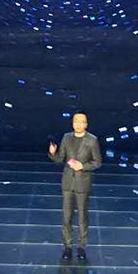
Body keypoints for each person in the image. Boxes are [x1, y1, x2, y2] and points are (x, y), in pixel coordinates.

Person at [47, 110, 102, 261]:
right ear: (72, 123)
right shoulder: (66, 137)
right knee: (66, 217)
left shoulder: (92, 140)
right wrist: (53, 153)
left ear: (86, 124)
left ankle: (81, 247)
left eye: (81, 121)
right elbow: (60, 159)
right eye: (76, 121)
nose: (78, 124)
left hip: (82, 184)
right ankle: (67, 247)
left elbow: (97, 162)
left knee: (82, 217)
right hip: (67, 183)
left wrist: (82, 166)